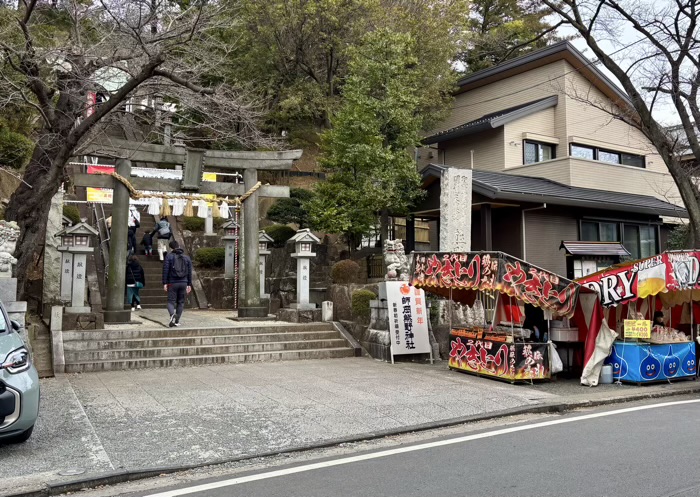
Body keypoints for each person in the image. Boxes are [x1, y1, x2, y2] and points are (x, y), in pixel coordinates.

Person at [162, 240, 192, 327]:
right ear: (178, 246)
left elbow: (165, 270)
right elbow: (189, 272)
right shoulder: (186, 258)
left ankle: (172, 314)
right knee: (181, 302)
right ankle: (177, 321)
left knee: (171, 301)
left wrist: (165, 283)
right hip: (184, 282)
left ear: (170, 248)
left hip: (172, 283)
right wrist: (189, 284)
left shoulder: (169, 257)